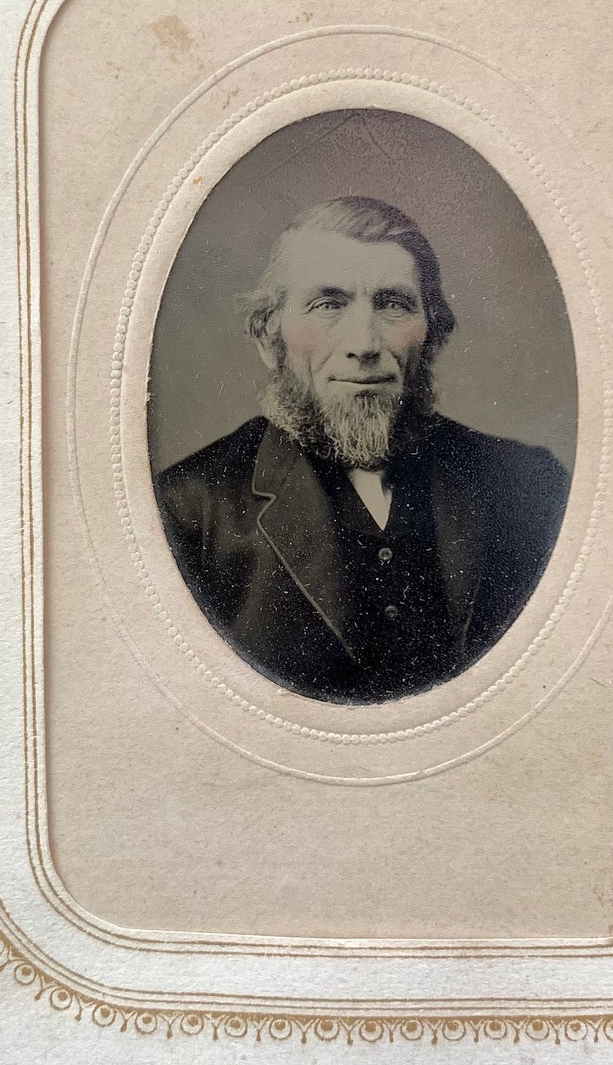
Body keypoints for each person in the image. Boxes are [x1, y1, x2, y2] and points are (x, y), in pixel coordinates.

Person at [154, 196, 570, 703]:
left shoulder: (528, 484)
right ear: (269, 337)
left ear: (432, 334)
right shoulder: (188, 509)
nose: (364, 342)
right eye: (327, 304)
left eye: (393, 304)